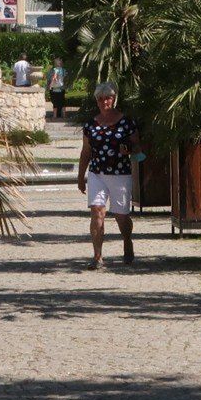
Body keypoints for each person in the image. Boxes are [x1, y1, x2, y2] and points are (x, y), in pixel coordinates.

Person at [76, 82, 138, 269]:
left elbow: (138, 148)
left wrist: (129, 150)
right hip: (97, 173)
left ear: (114, 99)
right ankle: (97, 256)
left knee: (121, 216)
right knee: (97, 211)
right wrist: (80, 176)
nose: (104, 102)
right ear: (96, 101)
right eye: (101, 99)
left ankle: (127, 241)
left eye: (108, 98)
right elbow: (86, 151)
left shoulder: (126, 123)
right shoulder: (90, 125)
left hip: (120, 174)